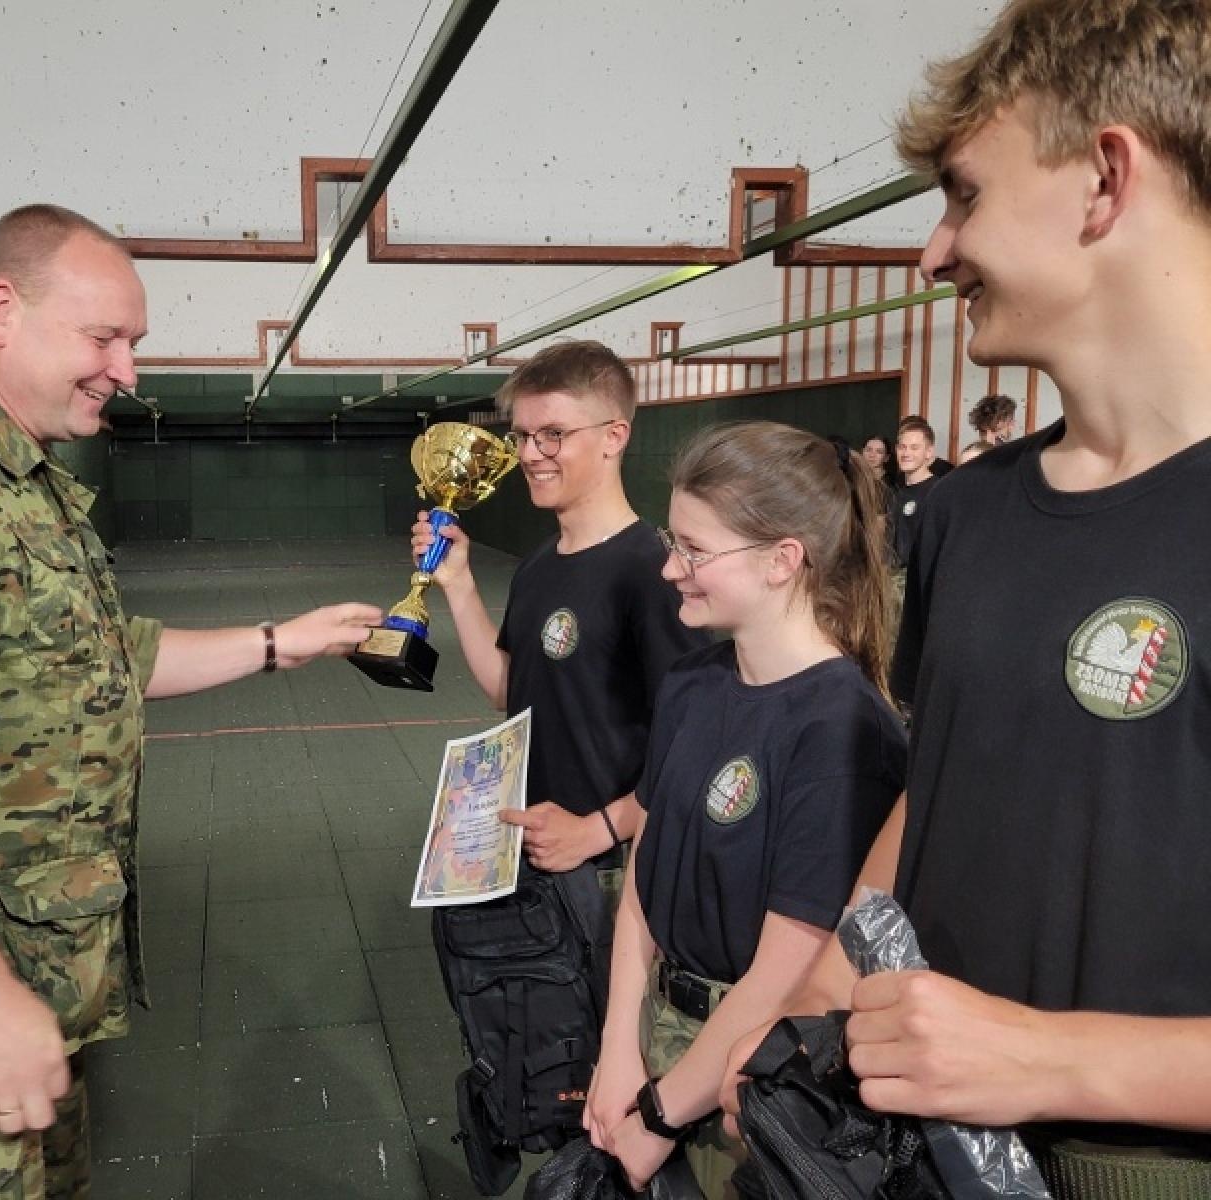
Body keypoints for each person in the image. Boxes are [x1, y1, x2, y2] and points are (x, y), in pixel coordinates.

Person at [0, 204, 381, 1199]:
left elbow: (103, 657)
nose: (127, 370)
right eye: (105, 337)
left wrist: (283, 641)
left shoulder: (22, 479)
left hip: (27, 981)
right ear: (2, 311)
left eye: (132, 343)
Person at [722, 0, 1211, 1191]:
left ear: (1104, 179)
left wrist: (1049, 1061)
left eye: (964, 195)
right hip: (910, 1153)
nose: (934, 251)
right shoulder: (967, 514)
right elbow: (938, 782)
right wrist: (825, 983)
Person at [583, 423, 905, 1196]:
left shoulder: (842, 725)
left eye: (695, 550)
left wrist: (661, 1114)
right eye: (674, 540)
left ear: (782, 560)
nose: (670, 568)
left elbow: (789, 968)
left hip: (748, 1066)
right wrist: (619, 1045)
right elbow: (644, 878)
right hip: (653, 1031)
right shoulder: (691, 685)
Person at [409, 339, 702, 1154]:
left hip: (619, 882)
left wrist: (602, 829)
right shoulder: (541, 568)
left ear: (613, 436)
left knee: (622, 1095)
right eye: (524, 437)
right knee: (548, 1082)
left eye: (552, 436)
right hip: (542, 877)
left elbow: (690, 754)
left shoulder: (653, 573)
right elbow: (518, 692)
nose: (531, 455)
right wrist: (460, 584)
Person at [888, 415, 941, 569]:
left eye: (914, 447)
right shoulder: (895, 492)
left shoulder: (938, 492)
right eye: (902, 447)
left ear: (929, 452)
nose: (906, 453)